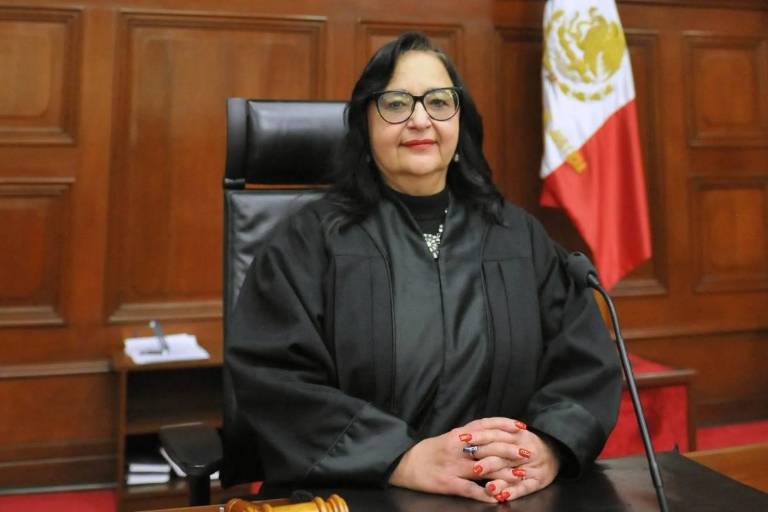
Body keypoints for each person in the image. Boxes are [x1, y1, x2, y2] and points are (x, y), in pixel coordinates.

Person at [228, 32, 621, 504]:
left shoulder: (519, 238)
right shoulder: (308, 242)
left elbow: (583, 364)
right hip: (356, 495)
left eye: (438, 102)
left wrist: (547, 447)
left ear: (460, 122)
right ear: (365, 126)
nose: (419, 119)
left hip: (504, 496)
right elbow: (274, 379)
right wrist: (401, 457)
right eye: (396, 104)